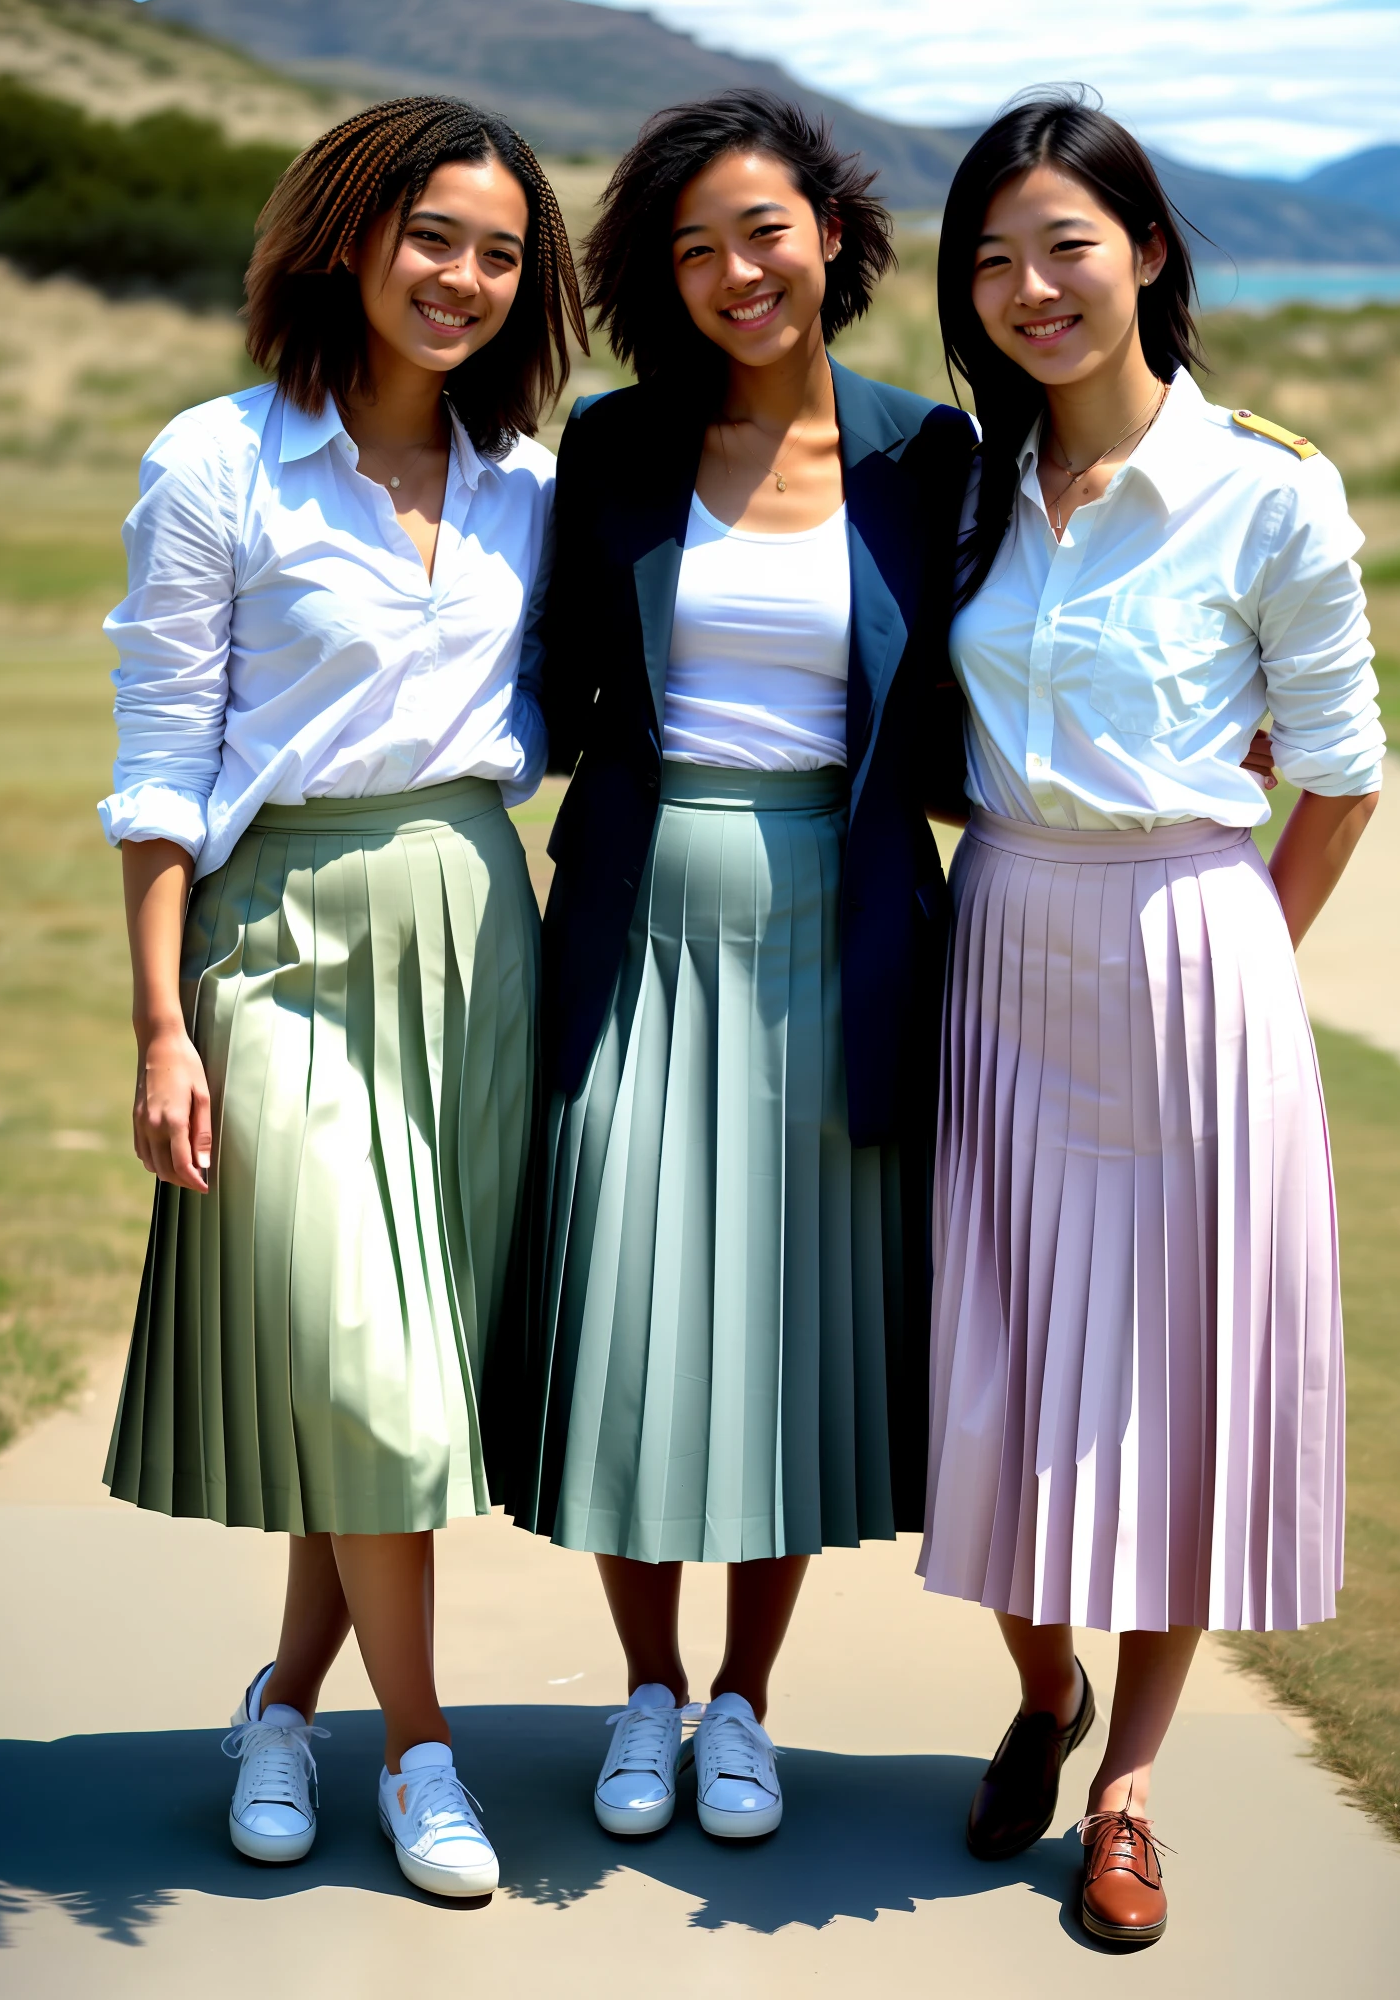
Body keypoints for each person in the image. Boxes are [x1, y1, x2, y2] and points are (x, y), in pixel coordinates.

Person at [99, 95, 586, 1897]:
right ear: (349, 238)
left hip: (473, 932)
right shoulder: (217, 462)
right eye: (430, 235)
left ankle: (285, 1702)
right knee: (370, 1373)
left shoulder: (535, 481)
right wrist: (161, 1026)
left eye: (500, 250)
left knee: (375, 1361)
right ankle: (424, 1751)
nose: (462, 275)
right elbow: (159, 768)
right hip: (281, 943)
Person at [919, 93, 1383, 1945]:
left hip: (1196, 962)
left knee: (1174, 1388)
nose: (1030, 288)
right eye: (993, 259)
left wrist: (1243, 964)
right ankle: (1046, 1693)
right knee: (1004, 1352)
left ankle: (1127, 1793)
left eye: (1066, 247)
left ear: (1149, 253)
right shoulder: (961, 486)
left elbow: (1338, 776)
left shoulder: (1272, 484)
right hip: (1007, 934)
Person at [512, 90, 975, 1841]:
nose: (733, 271)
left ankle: (745, 1709)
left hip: (843, 926)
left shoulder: (925, 455)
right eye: (693, 248)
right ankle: (643, 1695)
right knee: (640, 1316)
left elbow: (957, 715)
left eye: (761, 233)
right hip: (641, 908)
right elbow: (549, 684)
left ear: (833, 237)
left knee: (784, 1320)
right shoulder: (618, 447)